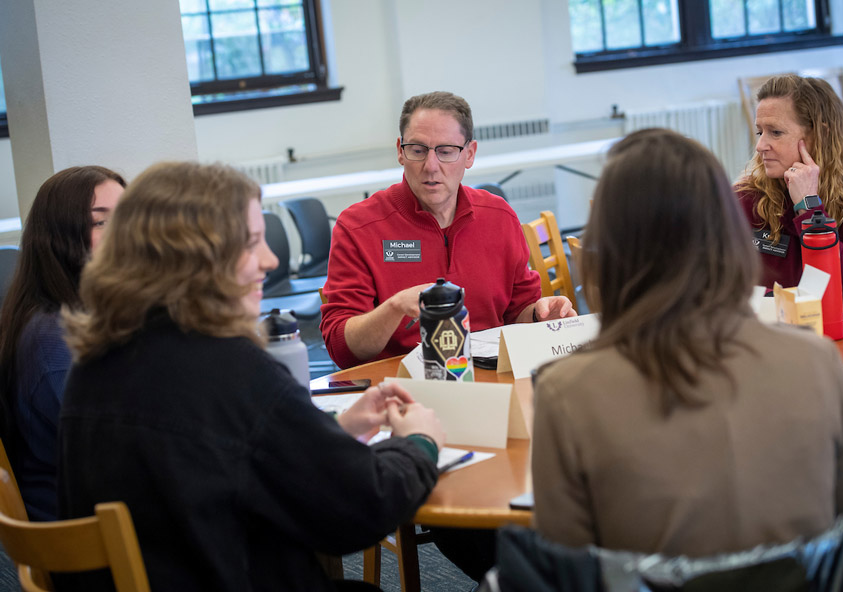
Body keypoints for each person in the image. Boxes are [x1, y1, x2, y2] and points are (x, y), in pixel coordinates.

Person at [57, 162, 445, 591]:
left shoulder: (93, 364)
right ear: (198, 256)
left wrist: (334, 429)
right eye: (252, 243)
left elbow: (222, 457)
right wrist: (418, 444)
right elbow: (363, 508)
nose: (271, 260)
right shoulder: (232, 371)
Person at [532, 129, 843, 557]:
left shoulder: (567, 391)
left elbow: (563, 565)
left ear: (611, 246)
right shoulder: (817, 361)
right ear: (729, 230)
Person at [321, 91, 576, 369]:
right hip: (401, 392)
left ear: (469, 154)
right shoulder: (358, 227)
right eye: (418, 150)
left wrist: (540, 316)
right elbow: (341, 348)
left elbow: (518, 312)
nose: (431, 167)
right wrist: (393, 308)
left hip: (491, 381)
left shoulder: (499, 216)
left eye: (445, 151)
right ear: (400, 151)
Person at [0, 166, 124, 521]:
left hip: (117, 515)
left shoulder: (94, 314)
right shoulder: (54, 341)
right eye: (100, 222)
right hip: (92, 543)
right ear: (59, 237)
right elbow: (124, 454)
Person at [736, 74, 843, 313]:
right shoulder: (746, 196)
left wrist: (809, 208)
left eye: (776, 132)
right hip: (781, 332)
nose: (760, 146)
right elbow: (728, 287)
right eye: (761, 132)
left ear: (820, 135)